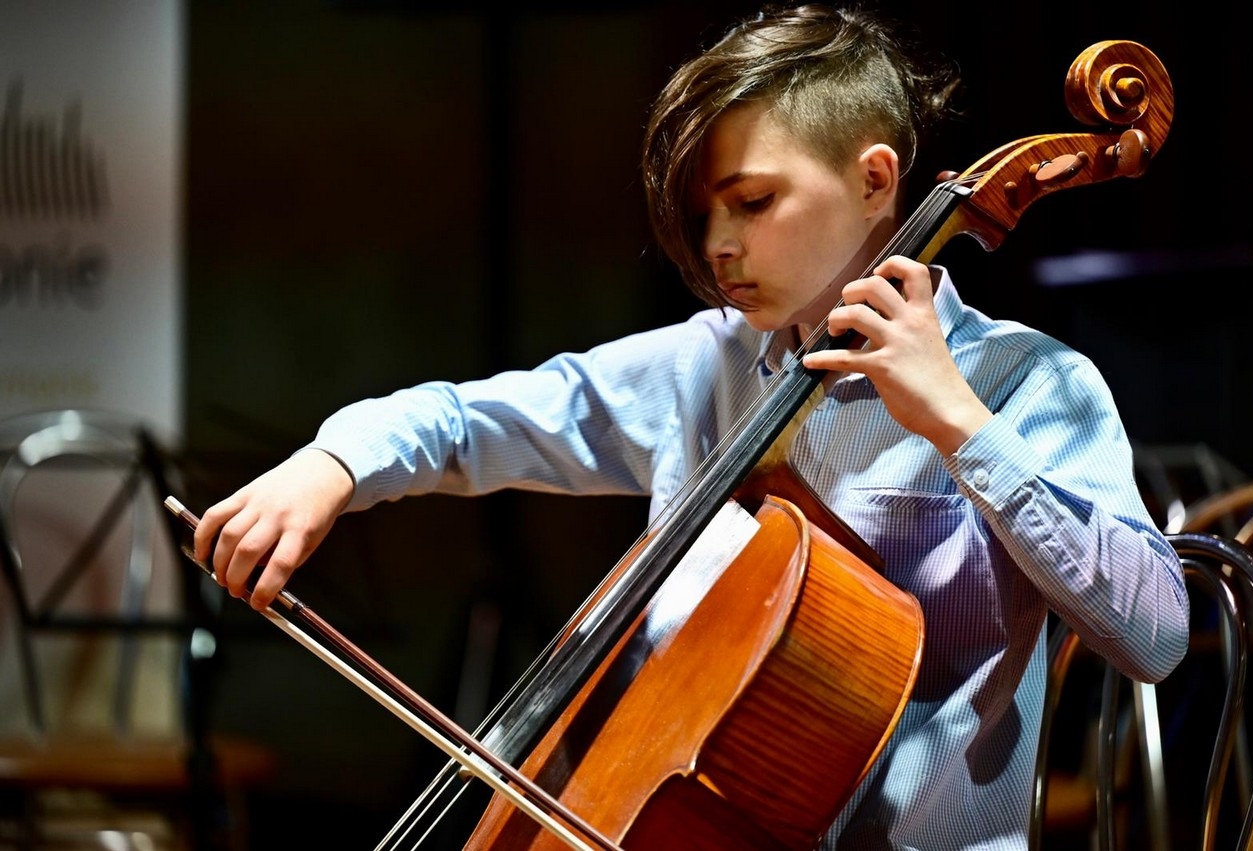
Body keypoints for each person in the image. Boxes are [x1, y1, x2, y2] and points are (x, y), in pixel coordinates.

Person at [193, 4, 1190, 848]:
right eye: (704, 211)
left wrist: (962, 428)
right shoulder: (704, 362)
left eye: (751, 203)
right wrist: (335, 460)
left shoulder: (1025, 382)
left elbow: (1156, 635)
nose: (717, 245)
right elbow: (467, 419)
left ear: (875, 180)